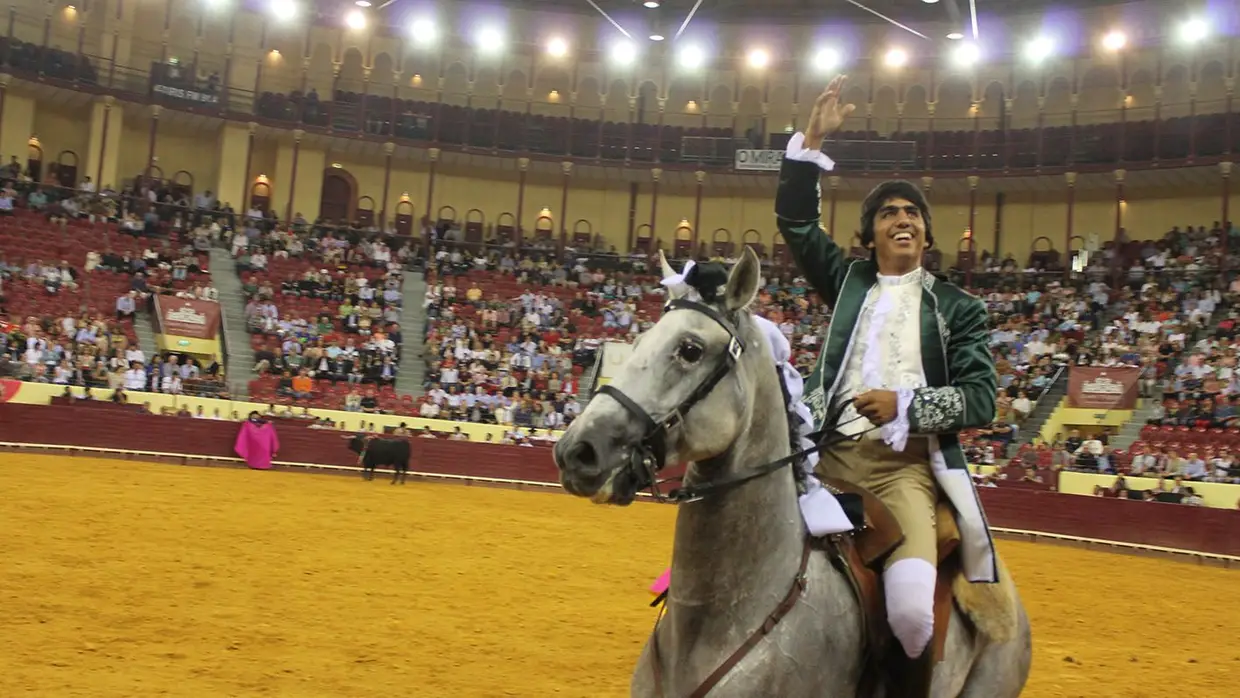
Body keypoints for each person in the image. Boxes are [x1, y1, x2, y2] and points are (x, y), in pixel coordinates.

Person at [776, 75, 999, 695]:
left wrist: (906, 404)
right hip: (821, 455)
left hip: (905, 473)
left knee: (907, 614)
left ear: (926, 234)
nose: (901, 219)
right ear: (870, 235)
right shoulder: (848, 282)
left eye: (912, 214)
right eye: (887, 214)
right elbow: (795, 220)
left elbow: (982, 398)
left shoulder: (959, 308)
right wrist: (813, 137)